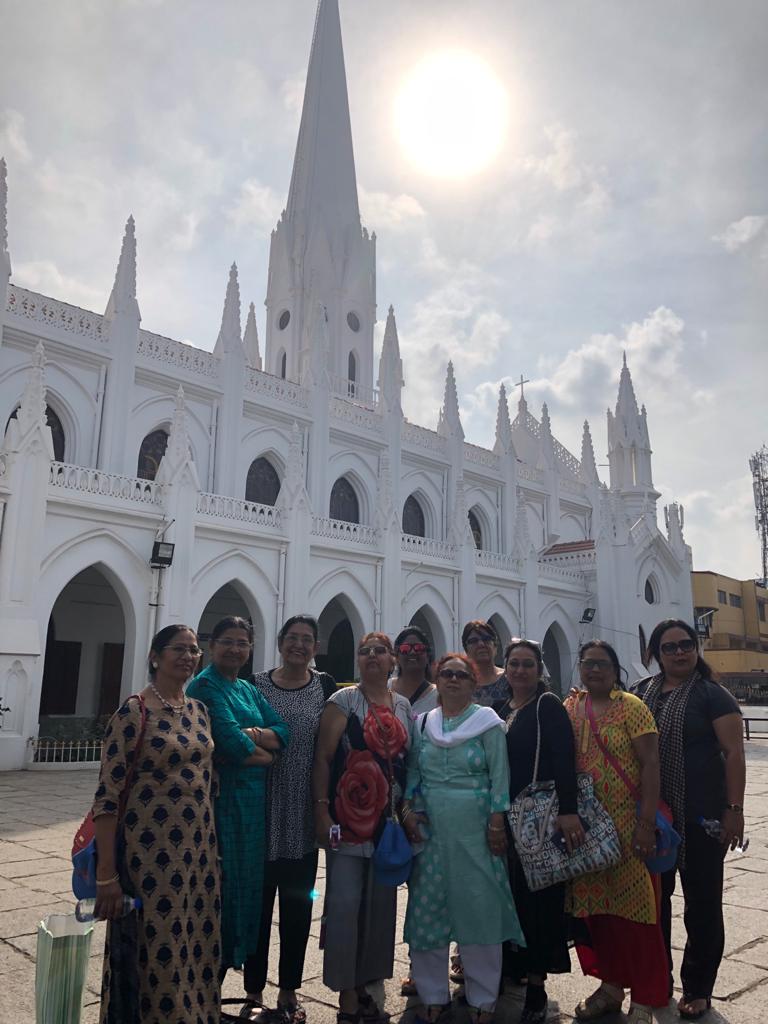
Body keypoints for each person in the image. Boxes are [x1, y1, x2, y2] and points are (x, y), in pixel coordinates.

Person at [91, 624, 221, 1024]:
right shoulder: (134, 712)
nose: (188, 656)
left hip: (198, 857)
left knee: (196, 943)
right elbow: (107, 798)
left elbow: (209, 781)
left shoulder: (198, 710)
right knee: (154, 947)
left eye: (194, 650)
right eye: (178, 649)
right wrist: (107, 876)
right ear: (155, 656)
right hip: (150, 859)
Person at [401, 653, 525, 1024]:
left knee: (479, 911)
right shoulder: (424, 724)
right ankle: (433, 995)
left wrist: (497, 821)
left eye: (461, 675)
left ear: (473, 683)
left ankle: (483, 998)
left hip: (476, 832)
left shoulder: (487, 723)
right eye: (446, 674)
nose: (453, 679)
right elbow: (413, 773)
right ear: (437, 680)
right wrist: (407, 811)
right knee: (428, 912)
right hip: (432, 833)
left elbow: (500, 777)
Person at [635, 620, 746, 1021]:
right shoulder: (640, 693)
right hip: (653, 817)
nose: (679, 652)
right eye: (669, 647)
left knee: (702, 903)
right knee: (654, 902)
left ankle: (698, 987)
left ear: (696, 648)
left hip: (702, 816)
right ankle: (657, 978)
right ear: (655, 653)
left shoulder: (713, 695)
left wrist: (734, 810)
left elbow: (734, 753)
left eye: (686, 644)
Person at [187, 616, 289, 1009]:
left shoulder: (245, 688)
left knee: (245, 894)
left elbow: (283, 730)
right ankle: (202, 991)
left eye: (242, 643)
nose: (235, 649)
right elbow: (227, 743)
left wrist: (255, 738)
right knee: (218, 896)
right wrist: (265, 752)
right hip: (220, 805)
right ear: (212, 646)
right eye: (227, 641)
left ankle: (216, 989)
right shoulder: (206, 686)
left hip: (251, 809)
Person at [564, 640, 667, 1024]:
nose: (594, 670)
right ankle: (611, 985)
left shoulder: (632, 707)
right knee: (599, 915)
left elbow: (651, 764)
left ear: (615, 669)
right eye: (588, 663)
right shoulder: (571, 707)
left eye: (602, 664)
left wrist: (646, 824)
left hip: (627, 828)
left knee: (638, 917)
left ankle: (646, 996)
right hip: (587, 832)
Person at [313, 632, 412, 1024]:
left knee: (380, 910)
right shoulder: (343, 701)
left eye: (380, 651)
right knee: (343, 906)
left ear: (392, 660)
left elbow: (409, 762)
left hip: (387, 825)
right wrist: (322, 812)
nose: (372, 656)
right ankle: (346, 995)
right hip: (347, 819)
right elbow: (324, 758)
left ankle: (370, 986)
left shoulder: (402, 705)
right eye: (365, 651)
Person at [247, 615, 337, 1024]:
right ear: (280, 642)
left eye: (307, 640)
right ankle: (253, 989)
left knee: (298, 906)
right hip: (260, 808)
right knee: (258, 907)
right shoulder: (255, 685)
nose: (299, 645)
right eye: (292, 638)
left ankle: (288, 989)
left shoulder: (324, 686)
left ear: (316, 647)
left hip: (303, 810)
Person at [500, 639, 583, 1024]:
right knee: (513, 897)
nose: (520, 671)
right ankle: (513, 968)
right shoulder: (503, 708)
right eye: (514, 664)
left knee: (540, 903)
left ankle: (536, 985)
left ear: (539, 669)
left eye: (527, 664)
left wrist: (569, 811)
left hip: (540, 820)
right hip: (509, 818)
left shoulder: (547, 705)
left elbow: (564, 757)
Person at [391, 625, 439, 998]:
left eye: (418, 647)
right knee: (389, 883)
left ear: (428, 653)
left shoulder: (440, 694)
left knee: (427, 887)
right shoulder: (383, 691)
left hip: (427, 800)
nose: (412, 653)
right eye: (405, 648)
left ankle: (424, 967)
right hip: (384, 796)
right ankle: (378, 966)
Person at [462, 620, 509, 707]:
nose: (481, 644)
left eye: (486, 639)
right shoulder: (461, 683)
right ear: (466, 650)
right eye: (474, 641)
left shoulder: (510, 679)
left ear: (495, 647)